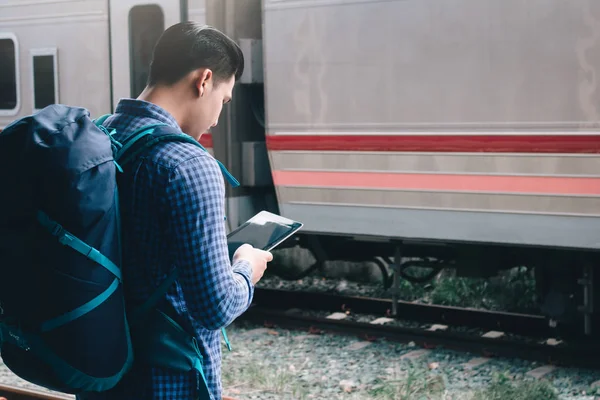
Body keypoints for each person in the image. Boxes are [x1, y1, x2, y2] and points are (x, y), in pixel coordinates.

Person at [78, 22, 272, 400]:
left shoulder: (99, 137)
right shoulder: (188, 164)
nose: (217, 118)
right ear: (203, 81)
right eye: (224, 100)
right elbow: (216, 306)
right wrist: (247, 267)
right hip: (167, 379)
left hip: (100, 369)